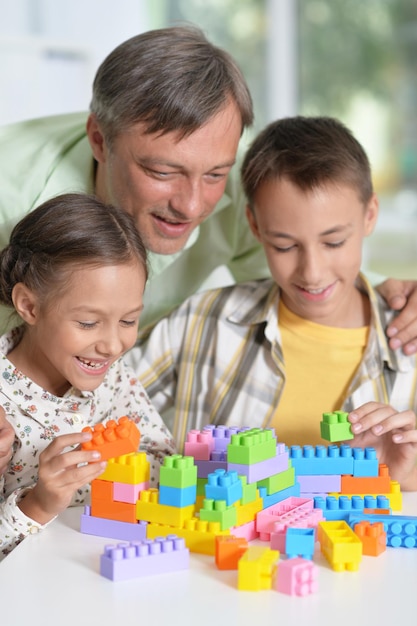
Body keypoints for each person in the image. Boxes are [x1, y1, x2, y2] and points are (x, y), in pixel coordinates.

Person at [0, 25, 416, 350]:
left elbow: (305, 260)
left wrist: (384, 289)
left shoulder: (250, 185)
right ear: (99, 140)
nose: (192, 205)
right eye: (163, 172)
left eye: (215, 174)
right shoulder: (10, 196)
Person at [133, 116, 417, 491]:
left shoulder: (409, 345)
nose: (312, 273)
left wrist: (407, 479)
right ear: (254, 225)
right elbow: (95, 409)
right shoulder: (202, 322)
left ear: (369, 215)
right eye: (285, 246)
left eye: (333, 242)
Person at [0, 193, 176, 560]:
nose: (112, 345)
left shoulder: (112, 374)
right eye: (88, 323)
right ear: (29, 305)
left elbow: (163, 460)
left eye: (128, 320)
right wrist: (39, 504)